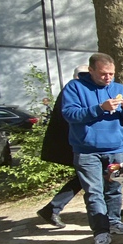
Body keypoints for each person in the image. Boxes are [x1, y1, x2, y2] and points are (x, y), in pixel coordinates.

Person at [61, 53, 123, 244]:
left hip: (115, 148)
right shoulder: (75, 87)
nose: (108, 78)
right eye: (104, 74)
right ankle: (101, 233)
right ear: (91, 70)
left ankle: (114, 222)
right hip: (86, 150)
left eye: (111, 74)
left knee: (114, 189)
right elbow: (69, 114)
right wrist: (99, 108)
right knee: (94, 192)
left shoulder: (119, 89)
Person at [36, 65, 90, 228]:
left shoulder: (78, 91)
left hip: (79, 144)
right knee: (86, 177)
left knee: (91, 177)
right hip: (73, 144)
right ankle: (51, 209)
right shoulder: (72, 91)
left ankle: (105, 210)